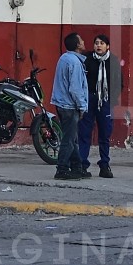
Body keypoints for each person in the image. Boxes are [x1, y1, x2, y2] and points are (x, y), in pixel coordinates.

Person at [78, 34, 122, 178]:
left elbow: (118, 82)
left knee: (105, 134)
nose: (98, 45)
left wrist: (111, 100)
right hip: (89, 99)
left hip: (105, 100)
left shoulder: (113, 61)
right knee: (84, 133)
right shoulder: (87, 59)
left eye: (102, 43)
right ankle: (82, 164)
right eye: (96, 43)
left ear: (107, 46)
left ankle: (104, 165)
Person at [51, 33, 88, 180]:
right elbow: (75, 88)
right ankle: (62, 169)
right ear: (78, 45)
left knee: (72, 138)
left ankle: (77, 167)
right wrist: (82, 106)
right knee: (69, 139)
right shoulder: (75, 62)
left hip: (61, 104)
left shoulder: (64, 58)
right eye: (81, 40)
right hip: (70, 106)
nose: (84, 42)